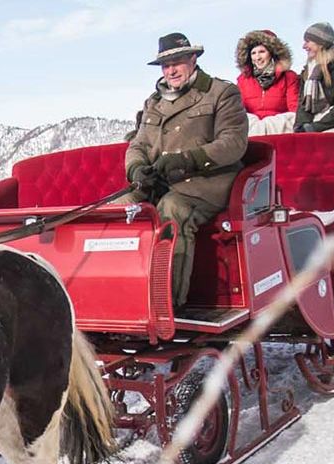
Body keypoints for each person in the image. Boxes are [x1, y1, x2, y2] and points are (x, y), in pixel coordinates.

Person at [122, 32, 249, 306]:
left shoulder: (221, 93)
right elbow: (138, 144)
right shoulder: (153, 102)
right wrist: (136, 170)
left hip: (207, 182)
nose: (171, 70)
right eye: (165, 66)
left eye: (177, 62)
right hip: (160, 181)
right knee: (120, 210)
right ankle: (121, 301)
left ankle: (166, 306)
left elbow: (233, 144)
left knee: (172, 210)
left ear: (193, 59)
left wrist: (186, 160)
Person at [236, 30, 300, 136]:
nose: (257, 57)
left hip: (279, 131)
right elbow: (239, 110)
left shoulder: (289, 77)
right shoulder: (243, 80)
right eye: (253, 53)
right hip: (252, 131)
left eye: (262, 52)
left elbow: (294, 110)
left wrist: (271, 124)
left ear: (272, 53)